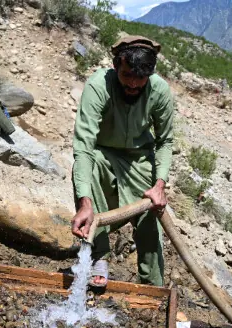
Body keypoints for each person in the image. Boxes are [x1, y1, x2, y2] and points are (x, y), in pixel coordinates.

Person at [70, 35, 173, 287]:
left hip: (141, 160)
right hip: (103, 156)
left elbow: (165, 142)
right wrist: (84, 203)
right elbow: (84, 145)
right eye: (127, 76)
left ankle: (153, 287)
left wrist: (159, 185)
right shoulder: (98, 86)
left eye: (141, 78)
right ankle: (99, 257)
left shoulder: (159, 91)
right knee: (88, 169)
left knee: (150, 226)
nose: (134, 85)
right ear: (116, 66)